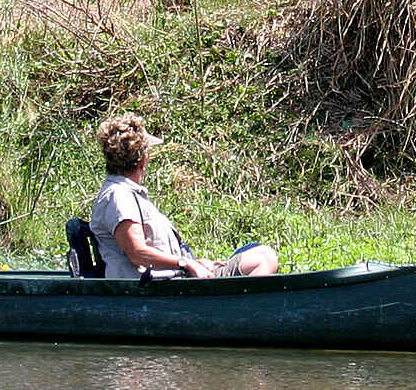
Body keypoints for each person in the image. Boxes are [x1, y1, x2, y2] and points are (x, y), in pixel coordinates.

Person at [89, 112, 279, 279]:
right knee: (265, 258)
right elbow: (137, 253)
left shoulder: (128, 193)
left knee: (260, 254)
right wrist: (186, 264)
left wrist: (195, 262)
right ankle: (238, 314)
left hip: (176, 277)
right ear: (143, 158)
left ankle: (237, 310)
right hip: (160, 288)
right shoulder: (119, 196)